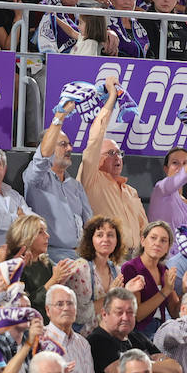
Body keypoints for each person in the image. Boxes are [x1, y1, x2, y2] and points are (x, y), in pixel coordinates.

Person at [78, 78, 148, 256]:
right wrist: (111, 99)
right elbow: (96, 137)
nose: (117, 157)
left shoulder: (131, 191)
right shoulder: (91, 179)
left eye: (119, 153)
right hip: (108, 255)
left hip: (135, 258)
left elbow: (144, 228)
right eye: (111, 153)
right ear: (97, 158)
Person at [25, 101, 95, 263]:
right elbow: (42, 158)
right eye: (63, 144)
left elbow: (89, 222)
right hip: (51, 256)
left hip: (81, 254)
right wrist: (59, 117)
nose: (70, 148)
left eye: (69, 144)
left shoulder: (75, 185)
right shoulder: (37, 179)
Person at [88, 289, 182, 373]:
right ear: (104, 314)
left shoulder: (137, 337)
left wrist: (137, 368)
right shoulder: (97, 340)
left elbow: (176, 370)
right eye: (119, 312)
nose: (125, 317)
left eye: (130, 312)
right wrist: (160, 368)